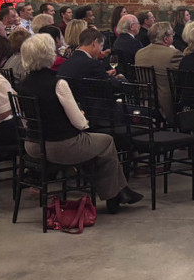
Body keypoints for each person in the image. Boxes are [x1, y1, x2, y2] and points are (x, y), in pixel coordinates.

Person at [16, 34, 143, 214]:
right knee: (106, 142)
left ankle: (120, 192)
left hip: (33, 145)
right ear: (50, 54)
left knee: (95, 147)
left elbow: (25, 120)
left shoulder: (22, 85)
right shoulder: (57, 83)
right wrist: (82, 115)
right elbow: (80, 124)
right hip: (60, 145)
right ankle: (114, 195)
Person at [135, 21, 183, 121]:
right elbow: (183, 78)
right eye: (172, 34)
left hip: (145, 103)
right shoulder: (173, 54)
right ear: (166, 39)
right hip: (166, 106)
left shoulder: (139, 53)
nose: (173, 36)